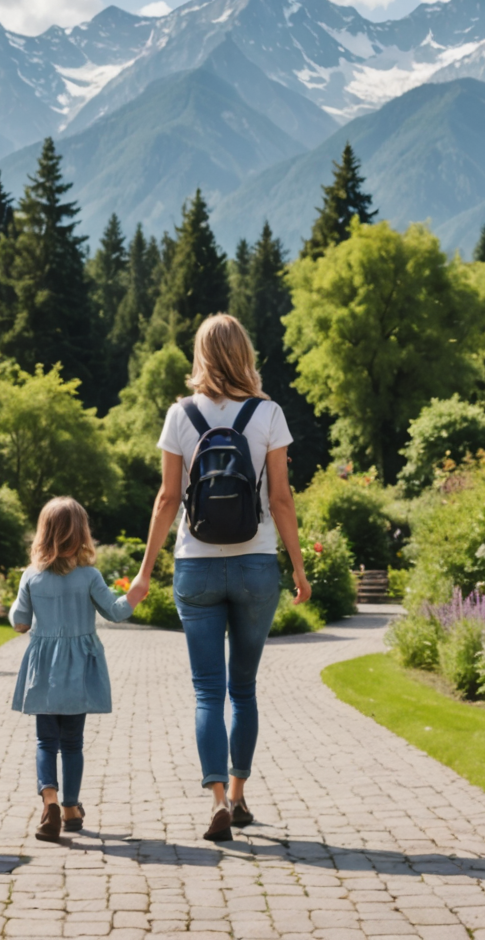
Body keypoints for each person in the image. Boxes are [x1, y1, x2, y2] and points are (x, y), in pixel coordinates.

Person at [126, 313, 308, 842]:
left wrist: (143, 573)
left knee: (207, 692)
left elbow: (165, 499)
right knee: (243, 690)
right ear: (244, 353)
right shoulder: (269, 412)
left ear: (201, 355)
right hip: (255, 563)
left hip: (196, 564)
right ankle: (240, 793)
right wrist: (297, 566)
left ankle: (217, 803)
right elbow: (280, 498)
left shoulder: (180, 414)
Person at [9, 496, 136, 841]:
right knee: (73, 744)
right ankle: (69, 807)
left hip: (44, 673)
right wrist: (136, 593)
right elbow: (115, 612)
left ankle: (48, 800)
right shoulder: (90, 576)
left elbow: (20, 623)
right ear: (81, 535)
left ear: (44, 534)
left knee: (45, 741)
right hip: (78, 670)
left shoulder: (32, 577)